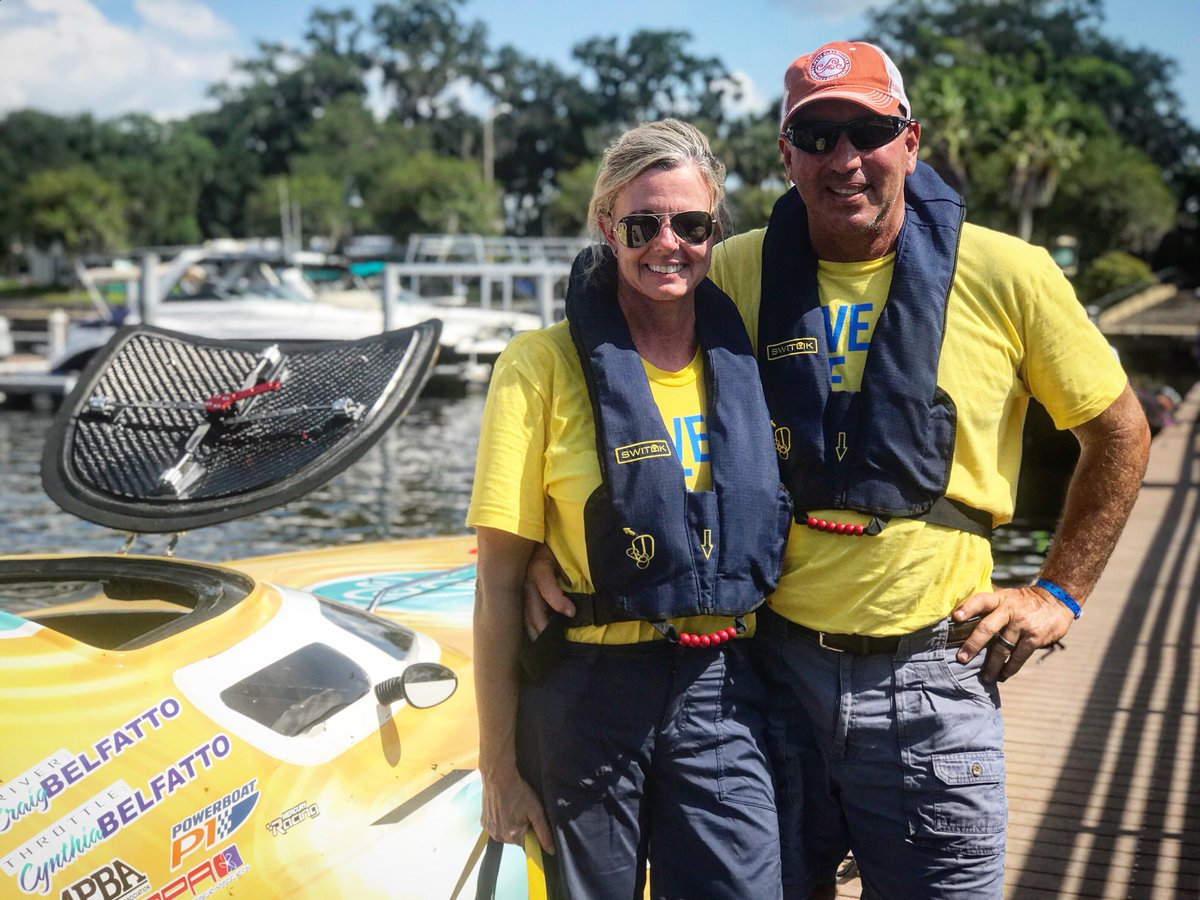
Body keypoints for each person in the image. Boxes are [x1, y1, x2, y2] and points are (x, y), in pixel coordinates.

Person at [528, 43, 1152, 899]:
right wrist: (544, 543)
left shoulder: (1011, 273)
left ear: (911, 140)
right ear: (786, 155)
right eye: (817, 135)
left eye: (869, 130)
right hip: (771, 680)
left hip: (931, 680)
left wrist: (1058, 591)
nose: (845, 158)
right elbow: (613, 362)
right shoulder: (735, 266)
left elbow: (1119, 432)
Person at [468, 118, 792, 899]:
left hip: (719, 686)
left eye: (691, 225)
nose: (666, 244)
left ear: (715, 229)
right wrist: (499, 768)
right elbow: (497, 586)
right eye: (642, 224)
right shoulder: (538, 366)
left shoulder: (743, 355)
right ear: (607, 224)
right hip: (586, 691)